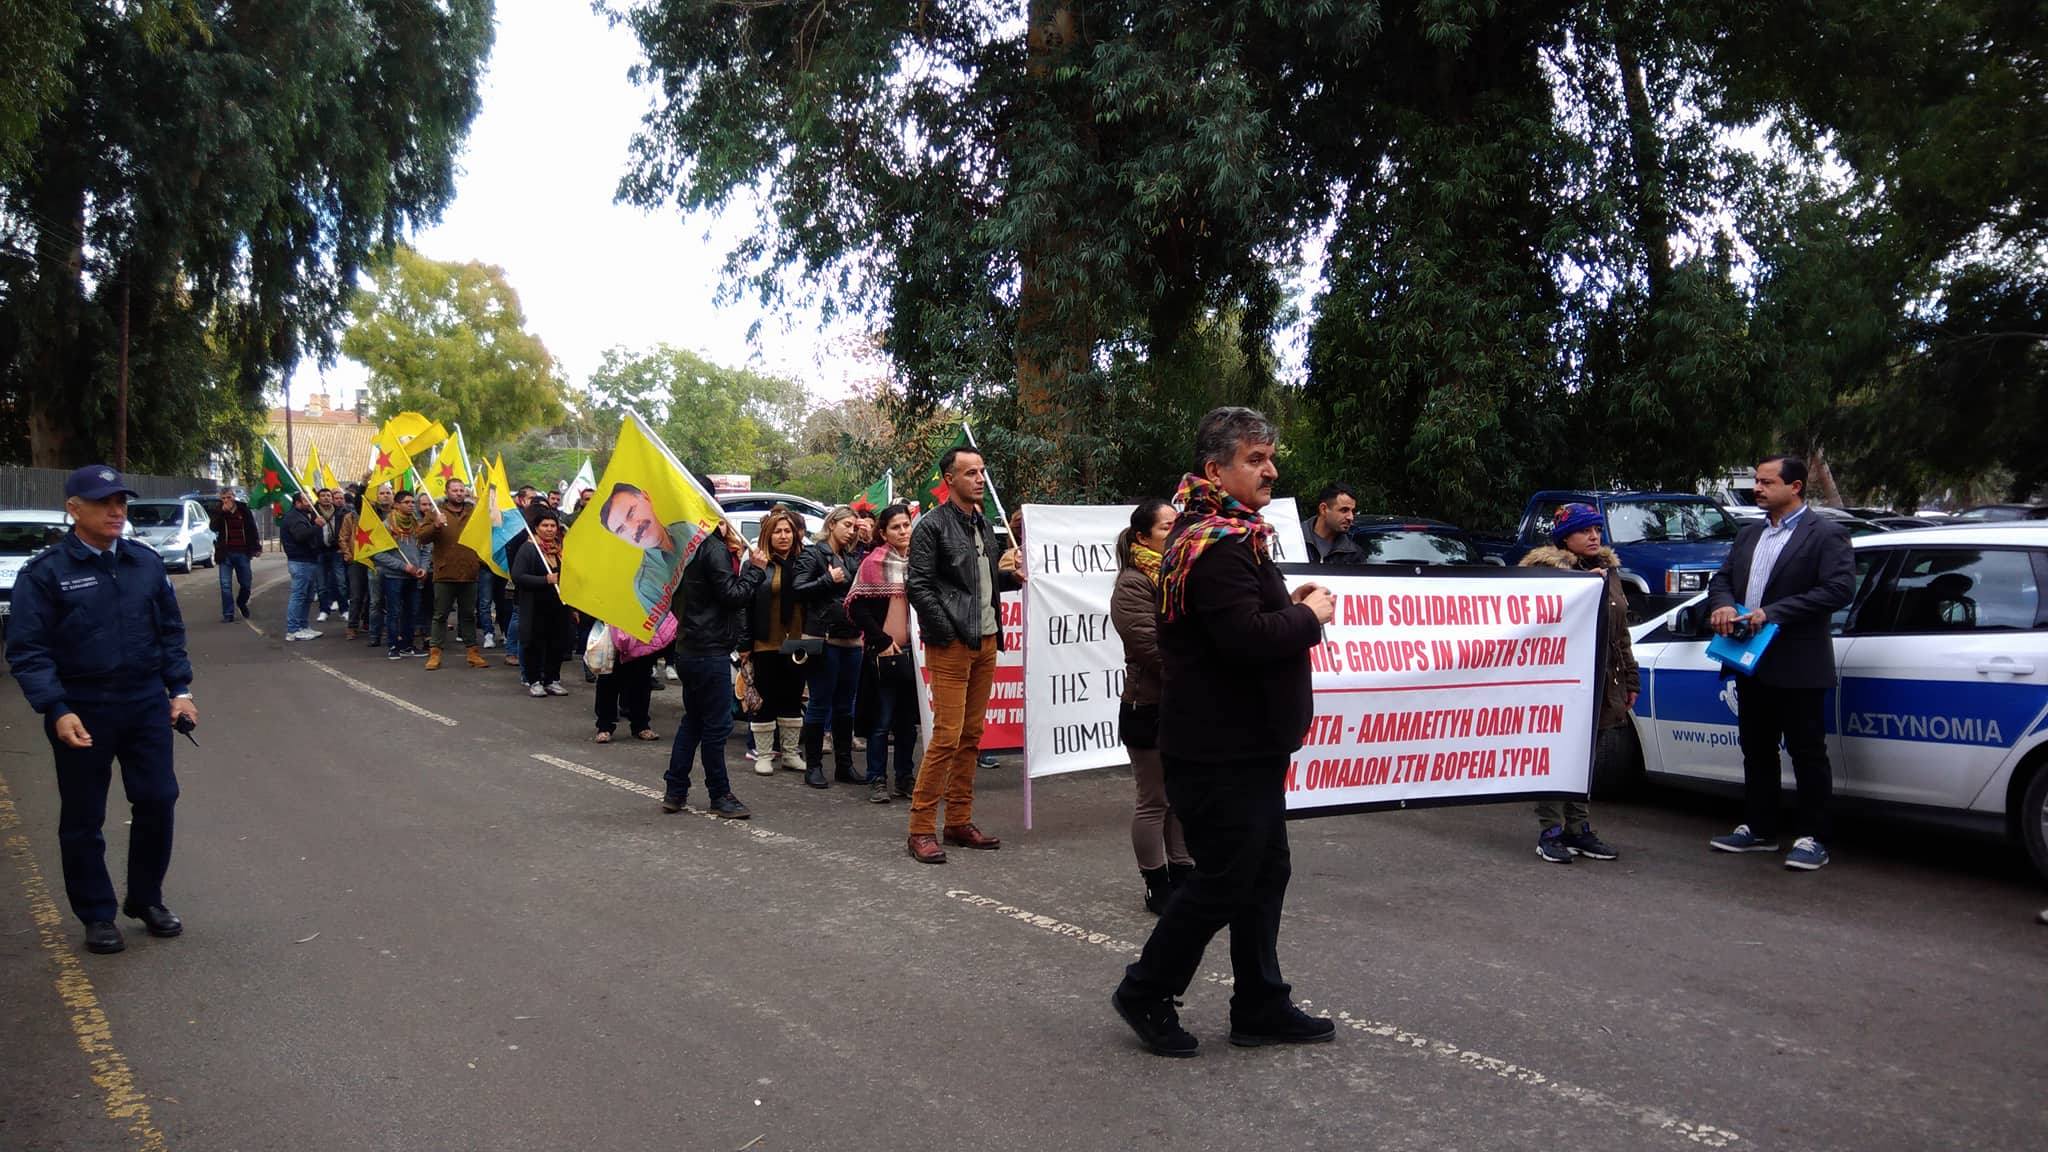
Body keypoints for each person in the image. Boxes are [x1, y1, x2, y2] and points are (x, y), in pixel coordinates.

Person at [1112, 406, 1337, 1059]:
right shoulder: (1215, 545)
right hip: (1218, 749)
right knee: (1226, 879)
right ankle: (1145, 988)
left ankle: (1260, 1004)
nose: (1270, 469)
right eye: (1254, 459)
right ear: (1217, 469)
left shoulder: (1231, 535)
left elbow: (1236, 626)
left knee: (1264, 873)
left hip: (1247, 743)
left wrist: (1289, 610)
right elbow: (1243, 639)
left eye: (1271, 457)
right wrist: (1309, 616)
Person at [5, 466, 196, 955]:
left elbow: (169, 632)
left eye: (121, 503)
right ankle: (96, 913)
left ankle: (146, 899)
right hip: (82, 708)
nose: (116, 511)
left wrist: (180, 690)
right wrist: (55, 707)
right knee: (83, 816)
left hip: (144, 703)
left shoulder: (145, 564)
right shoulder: (45, 573)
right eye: (104, 502)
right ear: (74, 508)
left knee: (157, 799)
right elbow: (28, 650)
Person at [1706, 455, 1856, 871]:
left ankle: (1813, 837)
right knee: (1756, 749)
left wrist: (1773, 612)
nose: (1757, 488)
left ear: (1795, 487)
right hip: (1748, 660)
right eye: (1756, 480)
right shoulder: (1750, 533)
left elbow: (1838, 590)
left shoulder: (1826, 534)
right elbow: (1722, 579)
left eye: (1767, 482)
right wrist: (1721, 606)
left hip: (1799, 662)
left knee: (1808, 753)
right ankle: (1759, 828)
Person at [903, 447, 1025, 863]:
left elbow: (981, 585)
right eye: (970, 472)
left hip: (987, 643)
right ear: (949, 479)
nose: (979, 479)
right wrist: (950, 634)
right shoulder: (931, 526)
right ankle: (920, 828)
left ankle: (958, 821)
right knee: (946, 738)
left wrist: (1012, 576)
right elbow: (918, 587)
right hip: (953, 646)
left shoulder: (984, 526)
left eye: (982, 471)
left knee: (972, 737)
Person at [1520, 503, 1633, 864]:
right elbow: (1535, 624)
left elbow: (1621, 632)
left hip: (1601, 679)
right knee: (1556, 754)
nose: (1594, 536)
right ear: (1564, 538)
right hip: (1559, 681)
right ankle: (1550, 831)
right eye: (1585, 530)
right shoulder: (1546, 573)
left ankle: (1578, 828)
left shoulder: (1610, 571)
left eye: (1597, 529)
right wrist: (1582, 587)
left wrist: (1630, 677)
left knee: (1587, 757)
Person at [1111, 498, 1194, 913]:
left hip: (1183, 703)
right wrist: (1198, 675)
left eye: (1177, 525)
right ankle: (1156, 883)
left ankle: (1183, 871)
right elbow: (1149, 646)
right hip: (1149, 705)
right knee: (1154, 799)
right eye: (1166, 528)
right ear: (1143, 537)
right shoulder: (1133, 583)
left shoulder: (1181, 575)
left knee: (1180, 796)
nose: (1175, 533)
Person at [661, 521, 768, 819]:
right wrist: (755, 569)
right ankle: (719, 794)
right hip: (709, 651)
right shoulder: (712, 548)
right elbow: (732, 595)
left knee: (694, 721)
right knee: (716, 726)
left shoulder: (682, 547)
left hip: (689, 648)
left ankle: (675, 790)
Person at [847, 503, 920, 804]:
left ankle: (905, 777)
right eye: (896, 527)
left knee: (908, 722)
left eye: (906, 525)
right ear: (883, 533)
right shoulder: (873, 564)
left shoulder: (921, 563)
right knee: (882, 720)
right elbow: (856, 606)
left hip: (915, 653)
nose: (903, 532)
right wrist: (880, 639)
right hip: (883, 653)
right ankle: (877, 779)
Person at [794, 506, 866, 789]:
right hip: (822, 638)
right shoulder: (813, 554)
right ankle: (813, 766)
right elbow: (797, 589)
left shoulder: (851, 557)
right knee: (819, 702)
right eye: (847, 525)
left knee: (846, 705)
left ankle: (844, 764)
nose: (851, 530)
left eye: (854, 526)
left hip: (851, 639)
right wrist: (827, 580)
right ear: (832, 524)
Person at [743, 507, 810, 776]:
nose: (783, 536)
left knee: (793, 697)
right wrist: (743, 643)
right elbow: (744, 606)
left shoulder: (806, 561)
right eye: (777, 532)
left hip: (797, 642)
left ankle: (791, 754)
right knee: (765, 699)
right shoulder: (756, 565)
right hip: (764, 642)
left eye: (788, 531)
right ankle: (763, 755)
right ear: (768, 536)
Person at [596, 481, 704, 623]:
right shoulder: (646, 585)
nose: (634, 529)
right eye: (621, 529)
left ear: (646, 498)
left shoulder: (687, 528)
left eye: (631, 513)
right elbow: (670, 630)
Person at [419, 478, 489, 672]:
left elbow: (486, 533)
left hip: (469, 571)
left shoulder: (474, 512)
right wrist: (436, 526)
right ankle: (435, 653)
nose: (459, 493)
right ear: (447, 492)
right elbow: (422, 537)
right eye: (455, 490)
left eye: (461, 490)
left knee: (468, 615)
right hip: (444, 572)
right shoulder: (435, 512)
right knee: (440, 615)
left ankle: (472, 652)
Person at [512, 509, 573, 695]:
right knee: (535, 643)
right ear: (536, 528)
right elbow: (518, 576)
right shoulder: (529, 548)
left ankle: (552, 679)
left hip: (559, 605)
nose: (549, 529)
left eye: (552, 525)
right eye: (545, 526)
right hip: (535, 605)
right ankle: (534, 680)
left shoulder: (561, 549)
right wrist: (546, 580)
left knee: (557, 642)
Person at [594, 610, 671, 744]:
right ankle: (604, 726)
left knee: (641, 682)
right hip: (612, 629)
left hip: (641, 626)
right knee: (608, 682)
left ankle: (641, 725)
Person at [372, 492, 429, 660]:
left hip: (414, 577)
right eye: (406, 502)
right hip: (393, 577)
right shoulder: (386, 526)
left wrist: (423, 568)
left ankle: (408, 644)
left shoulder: (418, 525)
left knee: (411, 612)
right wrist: (403, 566)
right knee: (394, 612)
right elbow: (378, 554)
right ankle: (393, 645)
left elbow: (426, 549)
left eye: (413, 502)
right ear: (396, 505)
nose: (411, 505)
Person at [278, 490, 327, 641]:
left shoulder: (303, 516)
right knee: (299, 595)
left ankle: (303, 626)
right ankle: (293, 630)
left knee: (307, 596)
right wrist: (316, 526)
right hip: (300, 561)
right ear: (297, 503)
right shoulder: (294, 517)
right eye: (306, 501)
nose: (310, 503)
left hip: (308, 560)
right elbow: (300, 536)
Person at [209, 488, 261, 623]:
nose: (226, 501)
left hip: (242, 552)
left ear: (234, 497)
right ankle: (228, 613)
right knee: (225, 585)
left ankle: (241, 602)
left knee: (246, 583)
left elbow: (252, 528)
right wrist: (221, 513)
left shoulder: (243, 509)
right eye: (223, 498)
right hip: (225, 553)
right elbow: (213, 527)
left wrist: (256, 547)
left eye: (229, 497)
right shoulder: (218, 510)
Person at [1301, 481, 1365, 565]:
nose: (1351, 517)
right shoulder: (1293, 539)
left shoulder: (1353, 554)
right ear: (1323, 509)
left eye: (1353, 511)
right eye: (1344, 510)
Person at [314, 488, 348, 622]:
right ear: (319, 498)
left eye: (329, 495)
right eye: (323, 496)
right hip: (320, 552)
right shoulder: (313, 513)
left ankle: (344, 609)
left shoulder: (339, 513)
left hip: (336, 551)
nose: (326, 498)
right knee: (321, 584)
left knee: (340, 582)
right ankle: (324, 610)